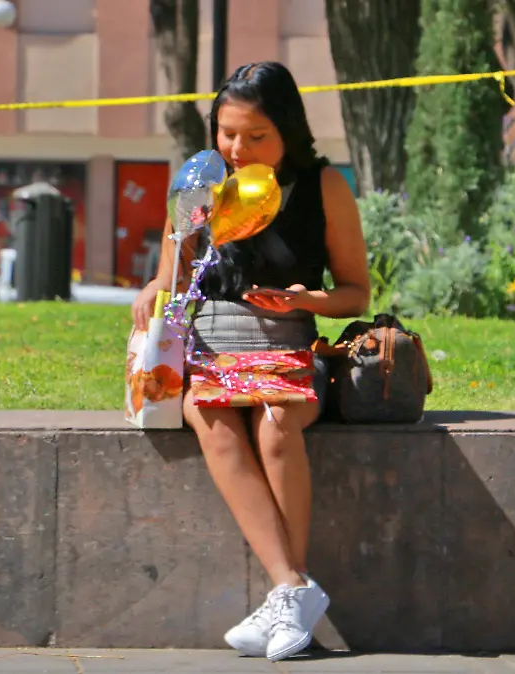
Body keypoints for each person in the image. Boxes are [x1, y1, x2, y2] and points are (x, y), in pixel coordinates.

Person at [130, 62, 370, 662]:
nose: (236, 148)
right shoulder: (200, 182)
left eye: (255, 135)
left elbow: (355, 292)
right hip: (213, 348)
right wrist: (153, 288)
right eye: (226, 131)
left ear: (288, 129)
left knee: (277, 420)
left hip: (288, 345)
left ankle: (287, 595)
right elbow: (173, 274)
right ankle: (292, 589)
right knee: (209, 414)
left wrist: (304, 299)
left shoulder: (322, 187)